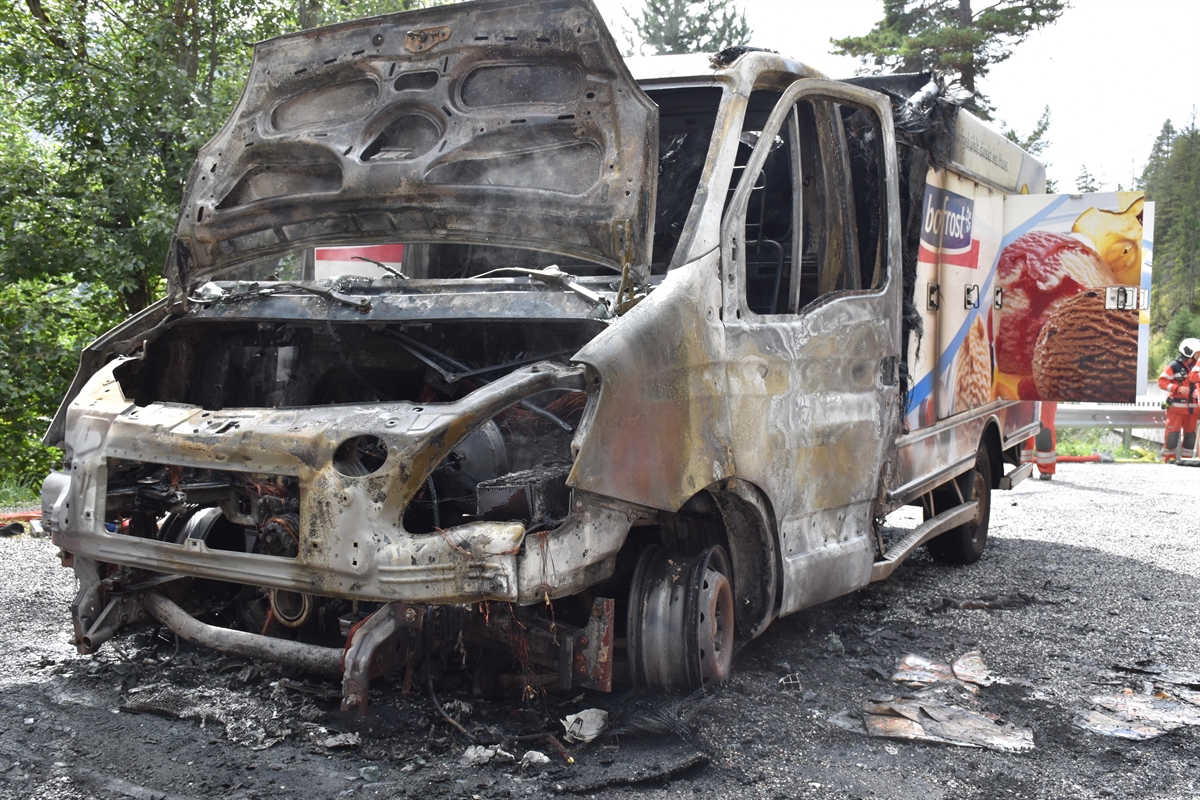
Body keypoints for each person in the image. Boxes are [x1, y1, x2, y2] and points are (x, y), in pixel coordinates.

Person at [1158, 338, 1199, 463]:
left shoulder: (1197, 367)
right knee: (1172, 435)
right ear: (1189, 352)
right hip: (1176, 408)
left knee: (1190, 437)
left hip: (1193, 410)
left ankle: (1187, 460)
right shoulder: (1174, 366)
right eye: (1198, 352)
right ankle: (1169, 459)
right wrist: (1178, 388)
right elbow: (1162, 382)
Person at [1021, 402, 1057, 479]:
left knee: (1045, 427)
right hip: (1028, 391)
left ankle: (1046, 468)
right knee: (1025, 424)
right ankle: (1025, 466)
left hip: (1047, 394)